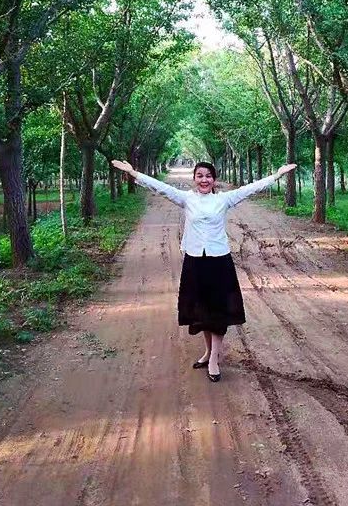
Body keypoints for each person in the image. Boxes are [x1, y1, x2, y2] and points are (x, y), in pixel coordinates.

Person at [112, 159, 297, 382]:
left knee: (217, 310)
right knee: (201, 311)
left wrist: (276, 176)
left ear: (214, 179)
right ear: (194, 179)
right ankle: (209, 352)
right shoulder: (187, 199)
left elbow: (250, 189)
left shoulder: (224, 200)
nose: (204, 180)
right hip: (195, 261)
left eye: (208, 176)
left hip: (219, 262)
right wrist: (134, 173)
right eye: (200, 175)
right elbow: (160, 188)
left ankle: (214, 360)